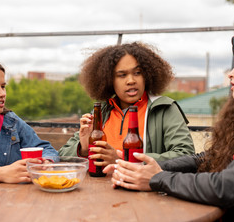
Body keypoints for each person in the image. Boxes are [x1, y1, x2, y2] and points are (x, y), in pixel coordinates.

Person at [104, 6, 234, 222]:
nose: (231, 73)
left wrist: (157, 178)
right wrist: (145, 168)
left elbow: (227, 186)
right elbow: (206, 159)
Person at [59, 42, 194, 167]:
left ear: (147, 75)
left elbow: (185, 155)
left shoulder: (165, 108)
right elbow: (62, 155)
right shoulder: (101, 112)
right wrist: (83, 148)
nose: (131, 80)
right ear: (109, 80)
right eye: (122, 75)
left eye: (137, 73)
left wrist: (123, 160)